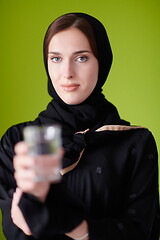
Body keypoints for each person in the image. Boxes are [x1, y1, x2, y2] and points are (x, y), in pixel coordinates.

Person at [0, 12, 159, 240]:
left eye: (81, 58)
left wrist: (77, 227)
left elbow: (141, 232)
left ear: (102, 62)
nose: (67, 73)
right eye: (56, 58)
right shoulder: (20, 140)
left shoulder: (134, 142)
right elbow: (15, 232)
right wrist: (28, 206)